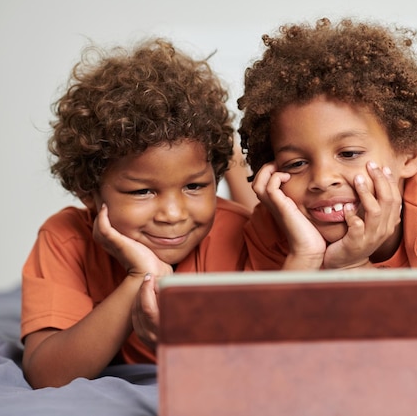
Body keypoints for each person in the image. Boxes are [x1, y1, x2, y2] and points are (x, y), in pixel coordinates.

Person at [237, 17, 417, 385]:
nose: (323, 179)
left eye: (350, 152)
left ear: (407, 155)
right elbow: (259, 369)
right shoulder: (275, 224)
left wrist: (352, 271)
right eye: (297, 163)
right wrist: (304, 259)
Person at [21, 37, 251, 388]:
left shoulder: (243, 232)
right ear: (89, 192)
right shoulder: (64, 237)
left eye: (195, 186)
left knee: (259, 215)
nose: (173, 214)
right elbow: (47, 374)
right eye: (143, 191)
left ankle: (235, 165)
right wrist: (139, 277)